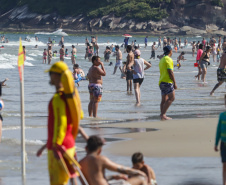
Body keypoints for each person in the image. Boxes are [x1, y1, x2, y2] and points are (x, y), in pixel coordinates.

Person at [36, 62, 79, 185]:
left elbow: (61, 124)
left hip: (60, 147)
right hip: (69, 143)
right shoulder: (70, 96)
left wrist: (56, 146)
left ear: (56, 76)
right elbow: (77, 116)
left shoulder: (58, 98)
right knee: (68, 179)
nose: (50, 77)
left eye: (50, 74)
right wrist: (46, 146)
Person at [79, 135, 147, 185]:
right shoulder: (100, 159)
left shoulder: (80, 163)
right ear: (99, 150)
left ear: (86, 148)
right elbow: (121, 169)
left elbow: (93, 179)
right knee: (141, 178)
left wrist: (113, 177)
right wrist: (139, 172)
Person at [159, 46, 177, 120]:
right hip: (167, 82)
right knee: (172, 98)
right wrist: (174, 82)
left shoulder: (162, 59)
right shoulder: (168, 59)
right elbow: (170, 72)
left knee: (164, 99)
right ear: (170, 51)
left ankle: (162, 115)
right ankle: (163, 114)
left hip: (161, 81)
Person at [214, 95, 226, 185]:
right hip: (223, 144)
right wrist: (216, 143)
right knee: (224, 164)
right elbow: (218, 130)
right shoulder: (222, 115)